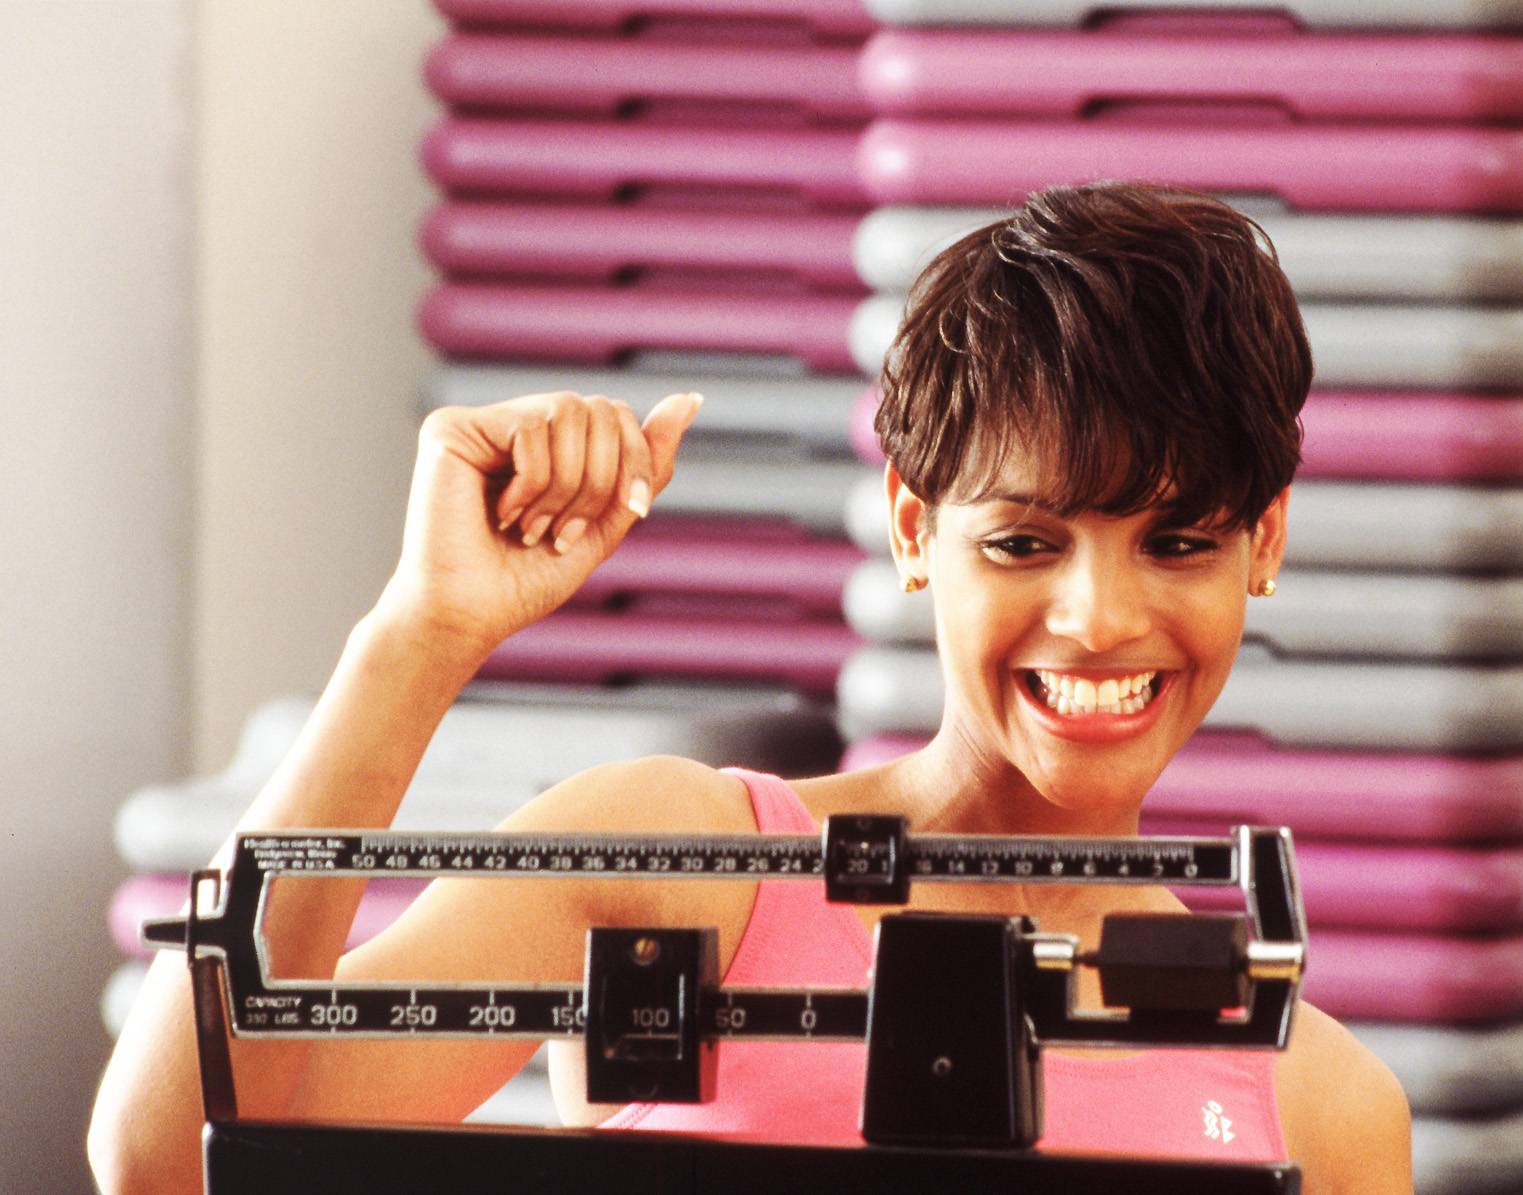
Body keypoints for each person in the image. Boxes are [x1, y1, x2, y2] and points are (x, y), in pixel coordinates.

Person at [89, 182, 1412, 1194]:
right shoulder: (677, 873)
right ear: (911, 528)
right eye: (1022, 541)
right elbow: (169, 1161)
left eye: (1177, 542)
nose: (1100, 618)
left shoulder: (1327, 1101)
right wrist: (416, 636)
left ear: (1266, 544)